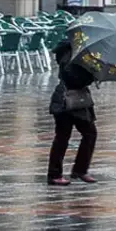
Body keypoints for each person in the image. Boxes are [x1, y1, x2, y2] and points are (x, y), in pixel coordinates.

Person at [47, 40, 98, 186]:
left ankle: (79, 170)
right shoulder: (70, 55)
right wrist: (92, 74)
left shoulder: (79, 53)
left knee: (89, 134)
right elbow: (73, 78)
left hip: (78, 100)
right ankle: (55, 174)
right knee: (63, 137)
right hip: (66, 100)